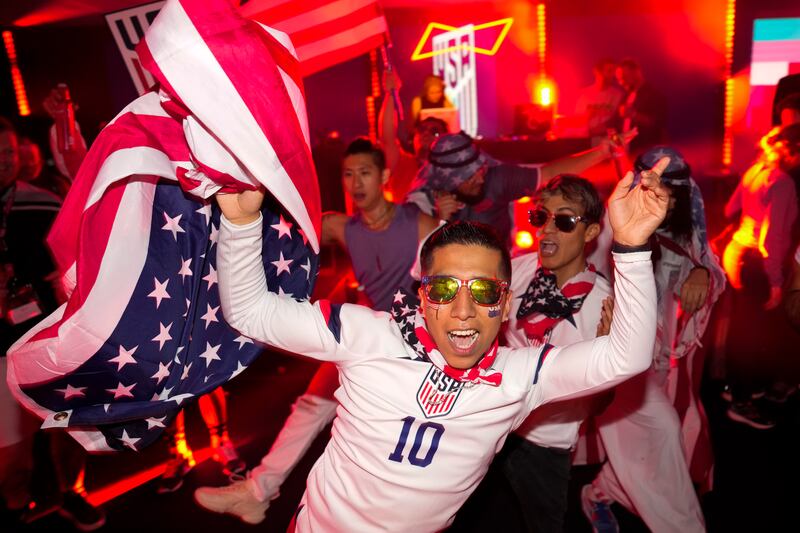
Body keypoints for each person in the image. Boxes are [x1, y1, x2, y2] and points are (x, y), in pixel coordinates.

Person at [194, 155, 670, 531]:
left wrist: (630, 247)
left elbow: (625, 356)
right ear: (421, 297)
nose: (462, 311)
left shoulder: (519, 376)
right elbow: (251, 313)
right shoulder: (369, 335)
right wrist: (239, 227)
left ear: (506, 305)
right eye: (443, 290)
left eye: (483, 293)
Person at [195, 137, 441, 522]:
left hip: (412, 350)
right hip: (363, 335)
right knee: (311, 406)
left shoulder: (418, 223)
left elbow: (459, 265)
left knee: (384, 442)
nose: (356, 182)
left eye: (365, 173)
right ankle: (258, 490)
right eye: (348, 174)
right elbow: (281, 231)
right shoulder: (339, 227)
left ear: (384, 176)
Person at [452, 174, 613, 533]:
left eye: (565, 220)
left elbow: (600, 405)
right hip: (491, 421)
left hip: (546, 442)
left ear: (590, 233)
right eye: (541, 217)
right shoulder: (518, 270)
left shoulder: (603, 304)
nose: (547, 231)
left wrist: (606, 362)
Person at [582, 147, 721, 533]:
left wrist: (703, 275)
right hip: (617, 355)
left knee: (646, 446)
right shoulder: (616, 222)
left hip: (661, 360)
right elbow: (584, 278)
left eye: (673, 191)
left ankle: (598, 495)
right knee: (660, 433)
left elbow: (713, 265)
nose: (666, 198)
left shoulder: (685, 226)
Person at [0, 117, 104, 531]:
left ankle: (71, 492)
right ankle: (15, 506)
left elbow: (81, 259)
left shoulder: (43, 204)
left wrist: (66, 274)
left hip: (47, 346)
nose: (4, 161)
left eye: (8, 152)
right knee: (12, 459)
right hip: (2, 356)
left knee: (67, 427)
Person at [405, 130, 630, 247]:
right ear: (448, 182)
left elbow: (549, 173)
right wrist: (439, 222)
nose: (480, 179)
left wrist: (603, 151)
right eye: (470, 178)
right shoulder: (420, 202)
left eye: (480, 170)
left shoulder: (496, 178)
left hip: (499, 269)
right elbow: (417, 263)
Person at [723, 124, 800, 427]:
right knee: (753, 337)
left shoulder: (756, 170)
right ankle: (741, 402)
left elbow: (731, 208)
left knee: (742, 331)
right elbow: (773, 238)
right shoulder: (783, 183)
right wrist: (778, 284)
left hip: (741, 254)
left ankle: (737, 390)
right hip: (760, 264)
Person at [380, 70, 449, 200]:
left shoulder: (453, 170)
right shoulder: (403, 164)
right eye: (421, 130)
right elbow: (387, 138)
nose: (426, 134)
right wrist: (390, 93)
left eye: (434, 131)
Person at [617, 58, 668, 155]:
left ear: (636, 72)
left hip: (646, 152)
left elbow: (657, 122)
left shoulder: (654, 94)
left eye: (624, 77)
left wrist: (634, 115)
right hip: (628, 152)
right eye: (619, 79)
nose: (621, 82)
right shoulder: (626, 96)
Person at [576, 58, 624, 142]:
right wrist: (587, 117)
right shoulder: (584, 94)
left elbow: (618, 122)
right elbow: (576, 120)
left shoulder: (618, 95)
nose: (612, 75)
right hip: (587, 141)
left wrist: (603, 129)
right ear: (597, 71)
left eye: (613, 71)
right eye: (609, 71)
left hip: (609, 142)